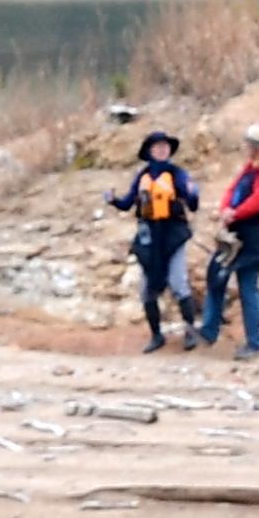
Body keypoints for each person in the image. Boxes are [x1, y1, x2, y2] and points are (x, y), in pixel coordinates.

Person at [193, 121, 259, 359]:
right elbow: (231, 191)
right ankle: (208, 331)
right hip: (234, 233)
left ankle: (255, 344)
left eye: (249, 144)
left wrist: (233, 213)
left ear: (257, 147)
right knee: (216, 277)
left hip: (255, 237)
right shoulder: (250, 169)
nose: (245, 147)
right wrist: (227, 209)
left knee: (248, 288)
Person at [107, 129, 199, 351]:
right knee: (147, 290)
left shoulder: (178, 174)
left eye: (165, 146)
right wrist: (112, 200)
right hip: (149, 237)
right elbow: (128, 203)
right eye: (158, 147)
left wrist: (193, 193)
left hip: (173, 234)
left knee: (178, 283)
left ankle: (190, 331)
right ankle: (156, 335)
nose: (162, 149)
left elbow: (193, 203)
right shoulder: (142, 177)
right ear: (149, 151)